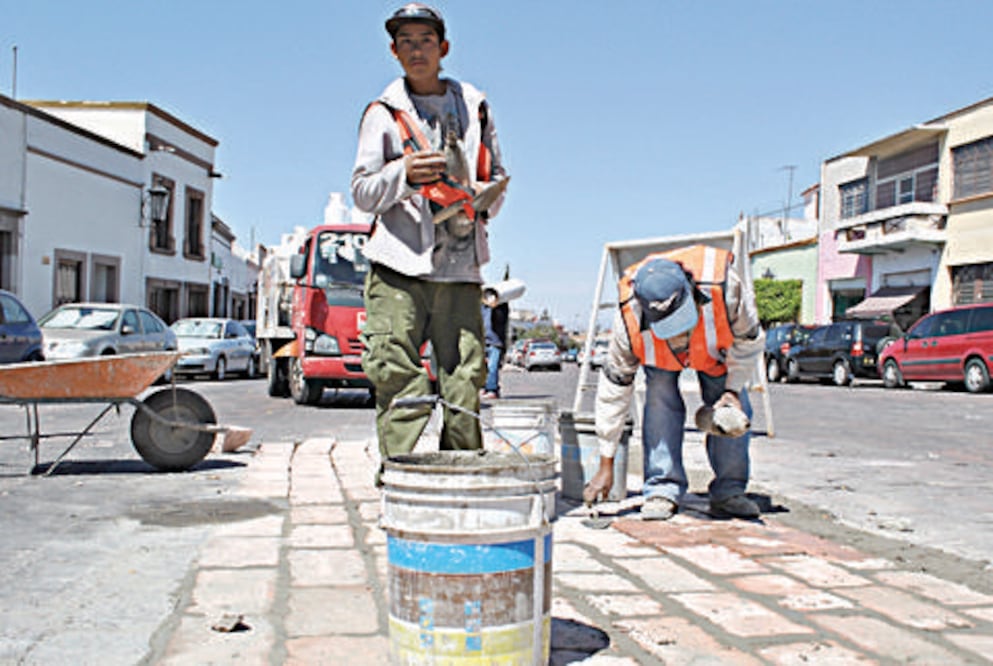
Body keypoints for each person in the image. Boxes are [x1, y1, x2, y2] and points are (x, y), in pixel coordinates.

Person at [351, 3, 509, 466]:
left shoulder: (475, 107)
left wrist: (485, 197)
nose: (416, 50)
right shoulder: (382, 113)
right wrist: (404, 174)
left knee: (465, 376)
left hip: (460, 268)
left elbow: (497, 178)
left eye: (424, 41)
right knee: (394, 368)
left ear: (443, 48)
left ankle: (459, 474)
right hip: (399, 267)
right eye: (406, 42)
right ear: (394, 52)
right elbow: (362, 192)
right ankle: (399, 473)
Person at [582, 244, 765, 520]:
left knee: (732, 418)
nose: (678, 332)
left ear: (693, 291)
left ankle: (729, 492)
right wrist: (606, 461)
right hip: (661, 360)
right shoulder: (628, 317)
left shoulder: (726, 287)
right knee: (659, 400)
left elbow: (750, 341)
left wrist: (732, 390)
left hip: (716, 355)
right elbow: (614, 391)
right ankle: (661, 489)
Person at [480, 287, 509, 399]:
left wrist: (497, 304)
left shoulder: (501, 308)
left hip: (495, 342)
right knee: (482, 368)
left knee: (492, 367)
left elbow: (500, 318)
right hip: (483, 341)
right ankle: (485, 387)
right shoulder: (482, 307)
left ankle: (492, 390)